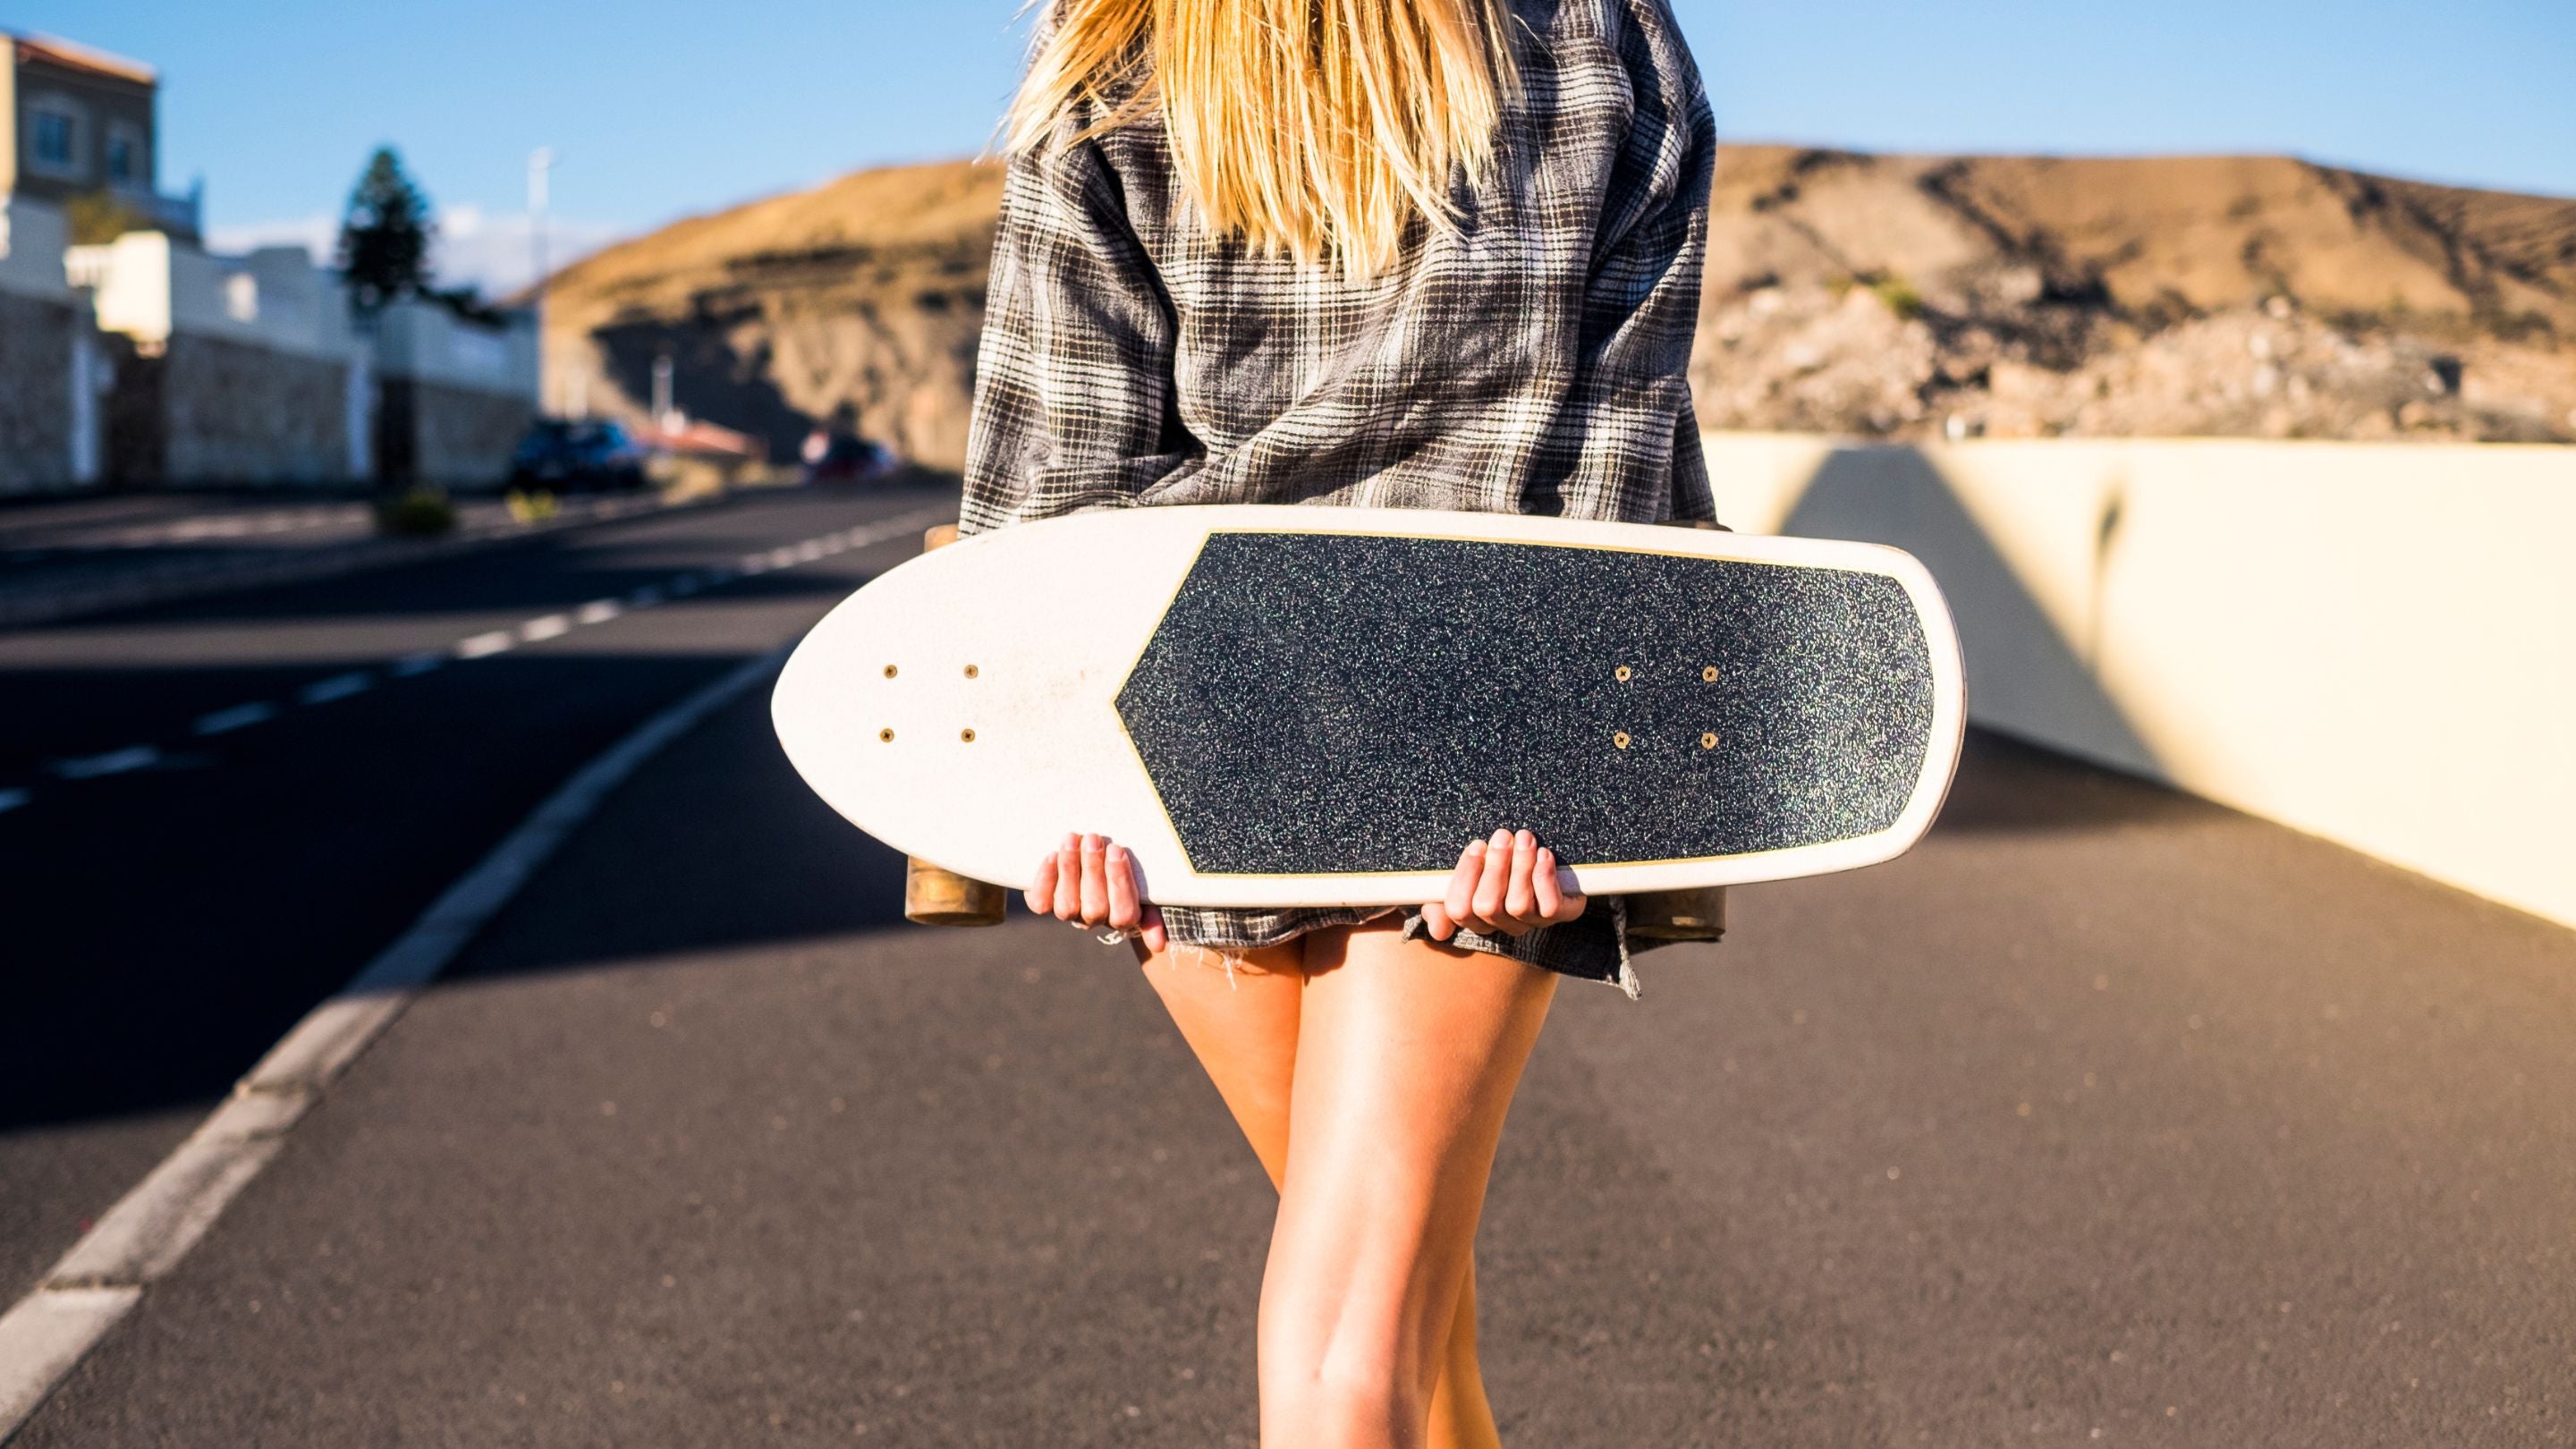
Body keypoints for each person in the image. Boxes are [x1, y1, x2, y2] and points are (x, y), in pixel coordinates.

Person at [959, 0, 1715, 1443]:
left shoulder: (1115, 47)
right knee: (1394, 1336)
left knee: (1374, 1328)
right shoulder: (1599, 32)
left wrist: (1049, 789)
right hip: (1489, 726)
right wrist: (1590, 787)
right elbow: (1621, 448)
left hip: (1191, 721)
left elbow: (1056, 477)